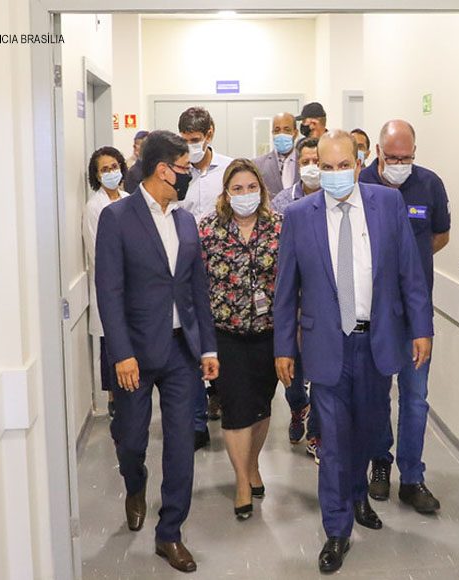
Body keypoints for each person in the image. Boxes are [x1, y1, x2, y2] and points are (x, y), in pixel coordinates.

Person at [274, 130, 433, 573]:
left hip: (376, 341)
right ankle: (337, 528)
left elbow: (410, 273)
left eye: (344, 165)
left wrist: (421, 328)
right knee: (334, 442)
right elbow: (286, 290)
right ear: (316, 168)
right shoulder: (299, 216)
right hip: (326, 345)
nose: (336, 174)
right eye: (326, 167)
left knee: (368, 430)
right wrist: (283, 347)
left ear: (359, 163)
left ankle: (359, 495)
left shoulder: (387, 204)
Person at [95, 130, 220, 574]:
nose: (188, 174)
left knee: (182, 444)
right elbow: (109, 291)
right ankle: (135, 482)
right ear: (163, 170)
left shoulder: (186, 221)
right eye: (184, 168)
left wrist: (207, 347)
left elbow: (197, 290)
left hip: (181, 351)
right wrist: (121, 353)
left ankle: (170, 532)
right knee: (131, 439)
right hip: (134, 353)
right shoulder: (117, 218)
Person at [359, 120, 451, 514]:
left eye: (406, 157)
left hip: (415, 314)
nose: (400, 164)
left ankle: (412, 478)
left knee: (415, 399)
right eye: (393, 157)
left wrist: (409, 265)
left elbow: (440, 235)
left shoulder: (429, 184)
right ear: (378, 152)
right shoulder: (360, 184)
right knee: (377, 396)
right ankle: (380, 462)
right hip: (375, 313)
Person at [198, 159, 283, 520]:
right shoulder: (208, 230)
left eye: (251, 188)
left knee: (261, 406)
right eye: (237, 188)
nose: (245, 194)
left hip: (269, 333)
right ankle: (241, 483)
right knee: (235, 408)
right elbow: (197, 286)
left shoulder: (279, 228)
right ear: (226, 193)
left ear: (261, 191)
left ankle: (252, 464)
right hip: (226, 334)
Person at [177, 106, 234, 450]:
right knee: (190, 342)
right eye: (185, 140)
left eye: (195, 140)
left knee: (220, 340)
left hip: (222, 271)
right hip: (184, 269)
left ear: (209, 134)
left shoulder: (227, 170)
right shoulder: (176, 169)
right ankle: (197, 421)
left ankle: (223, 399)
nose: (191, 146)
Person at [270, 137, 323, 462]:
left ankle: (316, 432)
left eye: (317, 161)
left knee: (320, 372)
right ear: (297, 165)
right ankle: (297, 407)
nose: (312, 167)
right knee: (293, 374)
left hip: (320, 302)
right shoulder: (282, 202)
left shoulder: (335, 201)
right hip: (292, 298)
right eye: (306, 162)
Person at [83, 146, 130, 418]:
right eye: (105, 169)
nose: (111, 172)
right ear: (96, 176)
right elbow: (97, 253)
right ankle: (114, 400)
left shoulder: (129, 199)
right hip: (110, 284)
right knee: (111, 344)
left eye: (114, 166)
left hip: (133, 285)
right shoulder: (94, 207)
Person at [252, 112, 299, 198]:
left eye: (287, 130)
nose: (281, 134)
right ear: (273, 133)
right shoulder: (258, 165)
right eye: (277, 130)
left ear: (295, 133)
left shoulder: (305, 162)